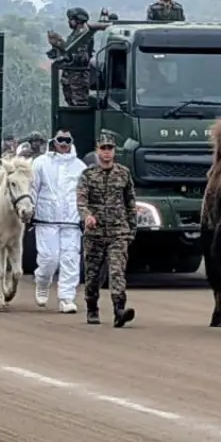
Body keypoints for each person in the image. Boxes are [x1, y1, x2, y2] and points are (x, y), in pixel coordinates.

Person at [76, 131, 137, 327]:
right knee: (93, 276)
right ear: (97, 151)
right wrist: (87, 217)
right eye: (103, 149)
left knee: (117, 272)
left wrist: (131, 230)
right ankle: (92, 307)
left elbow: (131, 203)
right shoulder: (88, 175)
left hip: (118, 232)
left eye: (110, 149)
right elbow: (81, 202)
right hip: (95, 234)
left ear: (115, 151)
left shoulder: (123, 174)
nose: (106, 153)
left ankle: (119, 309)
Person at [32, 129, 87, 312]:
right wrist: (29, 210)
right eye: (60, 140)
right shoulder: (40, 163)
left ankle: (66, 298)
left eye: (67, 140)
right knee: (49, 259)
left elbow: (85, 194)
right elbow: (33, 188)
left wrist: (85, 215)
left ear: (71, 142)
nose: (63, 143)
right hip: (46, 219)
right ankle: (42, 283)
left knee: (70, 259)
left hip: (71, 221)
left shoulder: (80, 167)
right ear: (53, 141)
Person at [49, 7, 95, 106]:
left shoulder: (85, 36)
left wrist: (61, 45)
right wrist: (57, 44)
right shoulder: (75, 35)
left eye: (71, 19)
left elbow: (81, 58)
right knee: (71, 104)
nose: (69, 22)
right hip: (70, 76)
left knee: (79, 106)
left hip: (78, 78)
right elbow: (68, 51)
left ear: (77, 20)